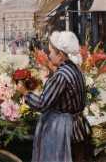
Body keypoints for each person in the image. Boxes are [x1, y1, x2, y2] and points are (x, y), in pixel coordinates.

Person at [16, 31, 92, 162]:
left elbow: (42, 104)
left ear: (61, 55)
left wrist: (25, 93)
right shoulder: (75, 69)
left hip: (64, 129)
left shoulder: (61, 75)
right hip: (78, 127)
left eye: (51, 52)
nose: (48, 55)